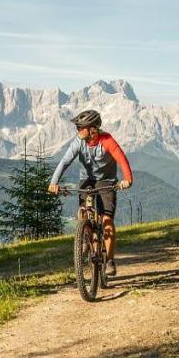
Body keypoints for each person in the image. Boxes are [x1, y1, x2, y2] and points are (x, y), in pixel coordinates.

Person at [47, 109, 133, 276]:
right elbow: (65, 161)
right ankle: (84, 235)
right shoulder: (79, 141)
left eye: (81, 127)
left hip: (106, 181)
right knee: (83, 212)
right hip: (86, 179)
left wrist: (127, 179)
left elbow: (122, 159)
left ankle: (109, 260)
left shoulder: (107, 140)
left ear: (92, 128)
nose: (78, 131)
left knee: (106, 219)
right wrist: (53, 182)